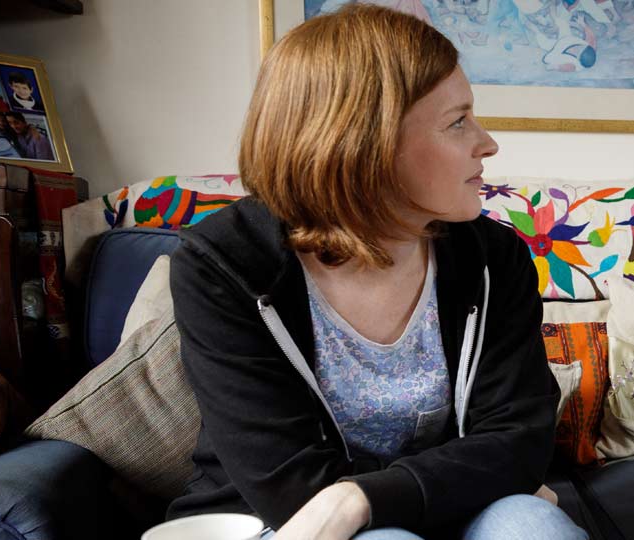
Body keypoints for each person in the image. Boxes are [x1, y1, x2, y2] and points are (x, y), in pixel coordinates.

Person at [165, 5, 582, 540]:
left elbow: (520, 438)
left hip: (432, 505)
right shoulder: (223, 263)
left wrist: (359, 496)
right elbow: (287, 485)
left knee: (532, 527)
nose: (488, 143)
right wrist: (465, 479)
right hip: (289, 520)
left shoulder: (493, 256)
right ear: (365, 144)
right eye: (458, 122)